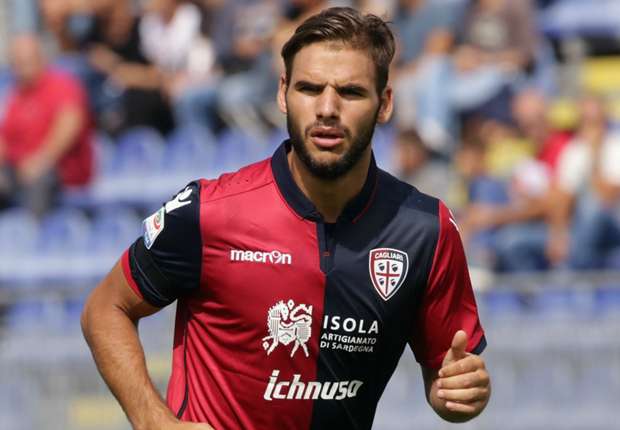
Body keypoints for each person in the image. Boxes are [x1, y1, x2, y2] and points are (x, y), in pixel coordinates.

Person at [81, 7, 490, 429]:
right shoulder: (210, 212)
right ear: (282, 93)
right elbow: (105, 309)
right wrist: (153, 421)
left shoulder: (426, 229)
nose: (327, 108)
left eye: (350, 92)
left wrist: (460, 392)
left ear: (384, 104)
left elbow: (447, 378)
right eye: (310, 89)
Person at [0, 34, 93, 216]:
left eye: (27, 60)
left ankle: (34, 232)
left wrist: (41, 161)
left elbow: (70, 125)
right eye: (18, 62)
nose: (22, 67)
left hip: (58, 169)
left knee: (39, 180)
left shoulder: (62, 85)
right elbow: (4, 137)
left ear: (41, 58)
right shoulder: (14, 94)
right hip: (18, 168)